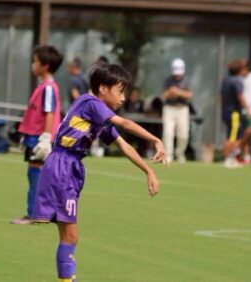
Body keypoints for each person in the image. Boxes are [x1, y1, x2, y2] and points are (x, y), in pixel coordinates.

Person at [31, 63, 167, 281]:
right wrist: (155, 139)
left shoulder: (98, 116)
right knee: (71, 236)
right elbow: (124, 123)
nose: (123, 98)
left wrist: (148, 170)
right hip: (63, 166)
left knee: (69, 237)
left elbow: (124, 145)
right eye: (120, 91)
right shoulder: (90, 103)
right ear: (103, 88)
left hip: (68, 166)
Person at [11, 45, 64, 225]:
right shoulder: (43, 86)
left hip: (40, 137)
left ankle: (35, 213)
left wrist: (46, 138)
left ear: (45, 65)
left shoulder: (48, 87)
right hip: (34, 136)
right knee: (40, 173)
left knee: (36, 173)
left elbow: (49, 113)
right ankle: (46, 212)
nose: (32, 65)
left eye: (35, 62)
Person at [161, 58, 193, 164]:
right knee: (168, 133)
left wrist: (178, 92)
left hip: (182, 109)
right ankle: (168, 156)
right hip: (169, 109)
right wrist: (171, 92)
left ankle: (180, 154)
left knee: (183, 135)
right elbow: (164, 95)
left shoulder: (187, 80)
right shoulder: (168, 80)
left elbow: (189, 95)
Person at [220, 58, 249, 168]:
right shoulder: (237, 81)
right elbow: (240, 96)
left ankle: (228, 157)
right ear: (240, 70)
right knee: (234, 137)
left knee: (231, 135)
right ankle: (228, 159)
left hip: (226, 111)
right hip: (234, 113)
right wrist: (248, 109)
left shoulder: (226, 80)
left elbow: (221, 97)